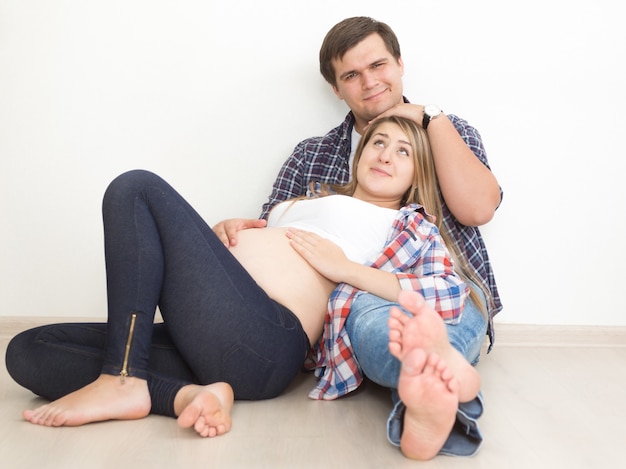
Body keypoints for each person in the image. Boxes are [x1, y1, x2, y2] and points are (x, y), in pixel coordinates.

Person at [5, 116, 470, 447]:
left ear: (416, 175)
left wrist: (346, 269)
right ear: (360, 153)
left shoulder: (407, 225)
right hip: (213, 333)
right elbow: (246, 258)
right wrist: (218, 235)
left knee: (135, 188)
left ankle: (122, 376)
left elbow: (450, 296)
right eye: (378, 142)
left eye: (403, 151)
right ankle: (187, 394)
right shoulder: (306, 201)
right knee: (28, 351)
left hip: (267, 341)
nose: (386, 154)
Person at [213, 16, 502, 459]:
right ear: (337, 89)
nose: (369, 82)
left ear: (400, 64)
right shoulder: (313, 156)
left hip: (444, 291)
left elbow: (478, 208)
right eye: (351, 75)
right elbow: (273, 234)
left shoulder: (449, 132)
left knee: (429, 326)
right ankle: (427, 396)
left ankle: (436, 389)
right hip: (351, 304)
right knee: (375, 327)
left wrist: (430, 118)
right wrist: (232, 232)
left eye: (378, 65)